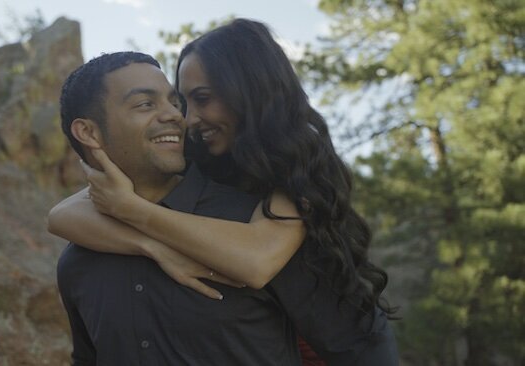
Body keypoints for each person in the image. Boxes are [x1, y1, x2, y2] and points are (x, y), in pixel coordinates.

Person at [51, 19, 399, 365]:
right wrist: (151, 245)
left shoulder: (290, 188)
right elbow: (61, 215)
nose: (183, 117)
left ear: (249, 95)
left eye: (198, 99)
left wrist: (133, 210)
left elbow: (258, 262)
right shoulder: (82, 258)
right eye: (183, 102)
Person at [56, 51, 305, 365]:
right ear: (89, 132)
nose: (175, 115)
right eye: (146, 104)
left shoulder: (257, 216)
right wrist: (150, 246)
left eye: (174, 102)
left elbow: (348, 342)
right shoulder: (77, 262)